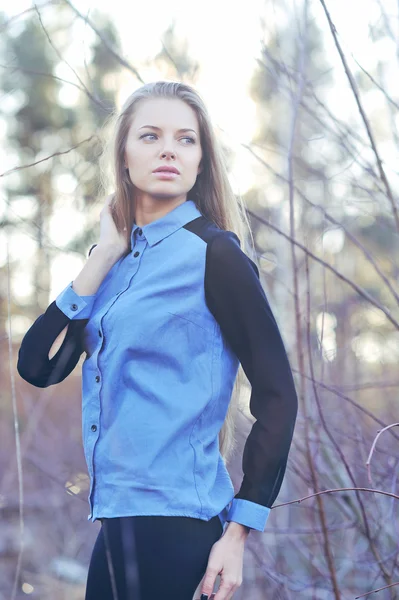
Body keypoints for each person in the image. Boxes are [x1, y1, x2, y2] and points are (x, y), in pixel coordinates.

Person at [17, 81, 298, 600]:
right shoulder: (116, 266)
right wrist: (101, 258)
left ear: (200, 162)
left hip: (178, 529)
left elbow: (279, 396)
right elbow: (39, 366)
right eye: (150, 135)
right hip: (115, 522)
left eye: (185, 139)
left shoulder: (217, 257)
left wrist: (239, 531)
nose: (168, 148)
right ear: (123, 156)